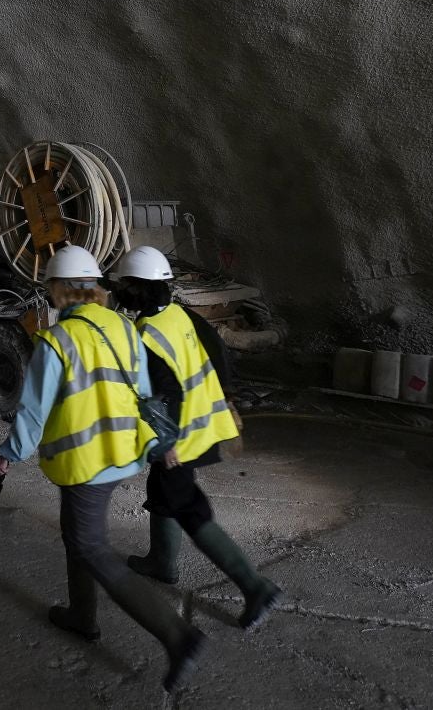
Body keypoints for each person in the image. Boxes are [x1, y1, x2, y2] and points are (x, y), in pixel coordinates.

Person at [0, 245, 207, 692]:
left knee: (92, 547)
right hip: (120, 456)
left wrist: (9, 453)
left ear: (60, 291)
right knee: (79, 536)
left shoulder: (57, 342)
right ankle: (81, 616)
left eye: (50, 287)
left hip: (83, 464)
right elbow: (146, 395)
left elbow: (33, 412)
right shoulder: (125, 328)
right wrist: (161, 443)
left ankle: (177, 635)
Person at [113, 245, 282, 630]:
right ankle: (162, 561)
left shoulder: (145, 337)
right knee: (164, 490)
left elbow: (159, 398)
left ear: (136, 290)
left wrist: (165, 443)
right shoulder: (181, 315)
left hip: (181, 439)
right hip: (207, 425)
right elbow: (219, 354)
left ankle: (255, 587)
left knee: (190, 509)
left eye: (125, 284)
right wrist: (228, 400)